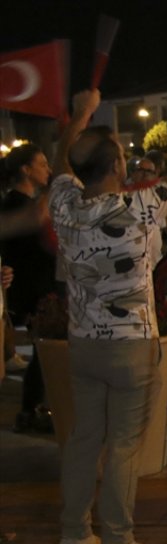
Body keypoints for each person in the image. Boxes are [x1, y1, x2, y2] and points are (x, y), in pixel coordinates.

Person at [48, 88, 167, 544]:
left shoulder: (63, 203)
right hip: (130, 347)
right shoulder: (138, 207)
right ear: (118, 168)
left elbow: (64, 157)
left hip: (82, 343)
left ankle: (74, 535)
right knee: (123, 444)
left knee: (83, 439)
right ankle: (118, 542)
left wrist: (78, 115)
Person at [0, 144, 57, 433]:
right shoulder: (16, 204)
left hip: (38, 285)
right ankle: (30, 409)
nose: (47, 169)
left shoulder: (28, 203)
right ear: (25, 169)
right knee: (44, 350)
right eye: (42, 164)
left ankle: (33, 407)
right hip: (28, 288)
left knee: (43, 351)